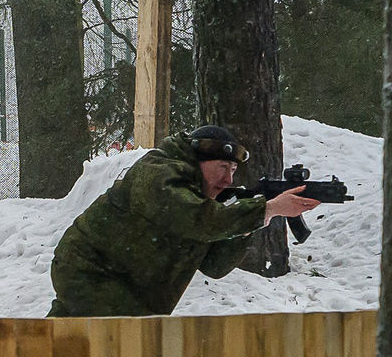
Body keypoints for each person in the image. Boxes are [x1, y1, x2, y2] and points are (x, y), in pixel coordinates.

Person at [48, 124, 320, 316]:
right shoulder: (159, 172)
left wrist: (249, 225)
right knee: (133, 348)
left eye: (234, 170)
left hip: (125, 282)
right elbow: (198, 220)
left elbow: (215, 265)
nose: (229, 180)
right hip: (90, 271)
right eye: (222, 168)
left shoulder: (197, 198)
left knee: (58, 349)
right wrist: (265, 209)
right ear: (198, 160)